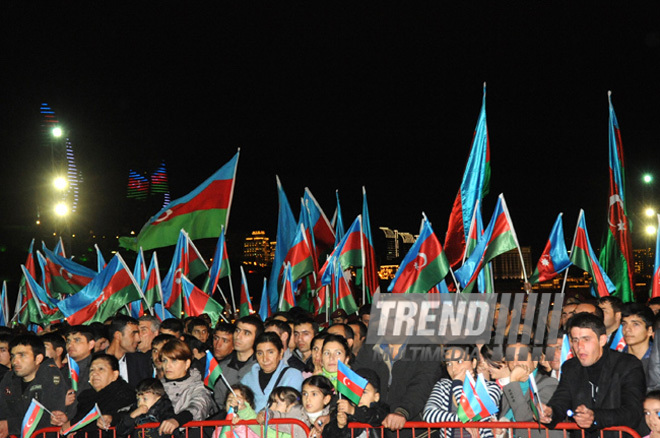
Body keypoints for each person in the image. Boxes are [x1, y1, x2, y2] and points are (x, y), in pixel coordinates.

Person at [540, 312, 646, 438]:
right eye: (575, 340)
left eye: (586, 339)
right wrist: (549, 413)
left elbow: (633, 412)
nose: (580, 347)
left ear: (602, 340)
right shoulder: (571, 367)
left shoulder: (627, 365)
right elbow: (561, 402)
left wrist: (595, 417)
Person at [353, 340, 441, 437]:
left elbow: (422, 385)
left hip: (417, 431)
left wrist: (402, 411)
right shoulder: (370, 347)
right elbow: (356, 382)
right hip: (377, 428)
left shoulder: (427, 349)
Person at [423, 345, 501, 438]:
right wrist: (462, 420)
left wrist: (457, 385)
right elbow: (428, 414)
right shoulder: (444, 385)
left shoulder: (490, 388)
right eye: (449, 364)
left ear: (474, 363)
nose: (453, 369)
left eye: (459, 362)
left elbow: (473, 414)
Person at [0, 334, 68, 438]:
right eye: (13, 356)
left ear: (38, 358)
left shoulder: (50, 376)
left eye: (22, 355)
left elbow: (49, 417)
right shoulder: (9, 378)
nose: (15, 361)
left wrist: (10, 426)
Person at [52, 353, 136, 436]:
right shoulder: (86, 397)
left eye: (101, 369)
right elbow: (82, 420)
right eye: (92, 370)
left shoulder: (124, 393)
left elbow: (125, 417)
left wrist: (73, 424)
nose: (94, 373)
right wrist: (67, 422)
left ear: (115, 375)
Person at [497, 342, 559, 438]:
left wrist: (513, 381)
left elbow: (524, 419)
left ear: (535, 361)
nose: (515, 363)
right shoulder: (509, 389)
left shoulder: (549, 384)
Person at [159, 339, 218, 434]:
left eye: (174, 361)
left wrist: (178, 420)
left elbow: (199, 406)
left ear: (187, 364)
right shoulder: (156, 387)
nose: (167, 366)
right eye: (165, 360)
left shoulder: (199, 386)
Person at [240, 332, 304, 412]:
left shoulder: (293, 375)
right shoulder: (247, 379)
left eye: (270, 352)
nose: (265, 359)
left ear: (280, 353)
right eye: (260, 353)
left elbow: (293, 407)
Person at [213, 315, 263, 411]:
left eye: (246, 333)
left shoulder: (261, 366)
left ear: (256, 339)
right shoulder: (222, 367)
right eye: (237, 331)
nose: (239, 336)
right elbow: (217, 401)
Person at [323, 368, 389, 438]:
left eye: (364, 392)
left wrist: (353, 411)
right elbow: (327, 432)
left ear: (376, 397)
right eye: (355, 391)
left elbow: (375, 417)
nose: (359, 396)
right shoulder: (343, 410)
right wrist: (340, 426)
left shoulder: (382, 409)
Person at [106, 315, 153, 388]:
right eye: (133, 334)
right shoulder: (94, 361)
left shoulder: (141, 361)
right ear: (118, 335)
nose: (138, 339)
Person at [621, 303, 654, 375]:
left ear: (649, 331)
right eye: (624, 324)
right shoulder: (615, 359)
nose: (627, 329)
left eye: (635, 324)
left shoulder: (656, 360)